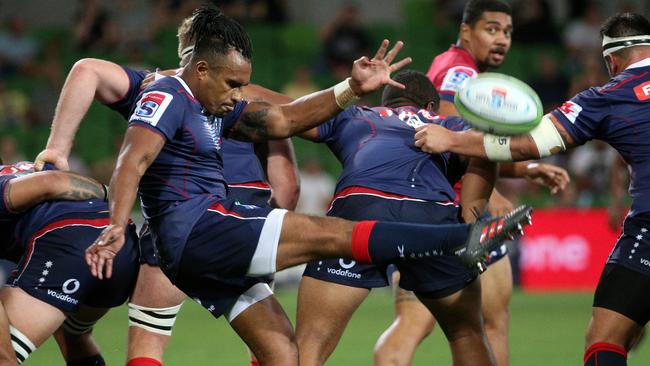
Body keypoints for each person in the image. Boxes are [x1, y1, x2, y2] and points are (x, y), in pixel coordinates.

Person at [85, 6, 530, 366]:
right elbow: (132, 158)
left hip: (210, 244)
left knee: (285, 354)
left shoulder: (220, 106)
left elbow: (283, 118)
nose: (240, 93)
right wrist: (117, 224)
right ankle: (461, 238)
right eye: (233, 83)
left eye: (243, 84)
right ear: (201, 68)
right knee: (328, 235)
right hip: (200, 229)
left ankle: (460, 238)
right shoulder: (167, 92)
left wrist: (351, 89)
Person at [34, 14, 299, 366]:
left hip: (176, 218)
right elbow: (288, 184)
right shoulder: (253, 98)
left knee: (148, 341)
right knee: (273, 349)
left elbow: (86, 70)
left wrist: (57, 149)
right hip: (243, 219)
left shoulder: (155, 87)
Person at [413, 12, 650, 366]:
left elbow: (528, 142)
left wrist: (452, 138)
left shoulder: (609, 96)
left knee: (605, 338)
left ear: (611, 61)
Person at [294, 70, 563, 366]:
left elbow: (292, 116)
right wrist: (471, 215)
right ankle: (472, 235)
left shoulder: (357, 114)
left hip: (360, 211)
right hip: (431, 216)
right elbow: (486, 150)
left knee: (312, 342)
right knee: (466, 334)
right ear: (431, 107)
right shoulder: (451, 126)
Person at [377, 2, 515, 365]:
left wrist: (526, 171)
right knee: (486, 326)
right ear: (466, 30)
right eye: (492, 29)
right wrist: (493, 191)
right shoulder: (460, 70)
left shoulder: (454, 65)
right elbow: (451, 129)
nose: (502, 39)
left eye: (507, 32)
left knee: (420, 325)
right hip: (459, 209)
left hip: (426, 204)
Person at [0, 161, 139, 365]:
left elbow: (52, 182)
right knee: (72, 334)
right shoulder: (26, 168)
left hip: (71, 242)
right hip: (120, 242)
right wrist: (115, 200)